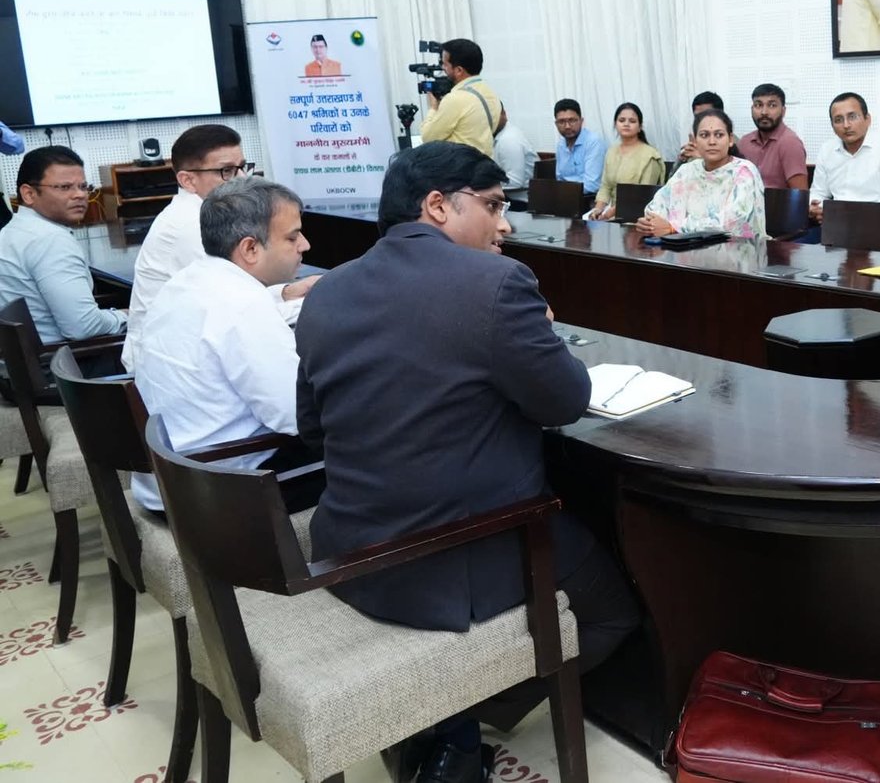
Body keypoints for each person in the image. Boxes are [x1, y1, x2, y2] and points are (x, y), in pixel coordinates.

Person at [296, 142, 639, 783]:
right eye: (492, 206)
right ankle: (450, 712)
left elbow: (313, 432)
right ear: (438, 205)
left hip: (351, 547)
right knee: (614, 610)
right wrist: (537, 331)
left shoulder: (326, 291)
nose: (503, 225)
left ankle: (438, 721)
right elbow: (566, 400)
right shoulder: (496, 284)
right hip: (453, 555)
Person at [131, 179, 320, 512]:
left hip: (171, 478)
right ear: (250, 249)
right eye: (292, 237)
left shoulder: (186, 282)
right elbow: (296, 416)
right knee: (378, 446)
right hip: (218, 495)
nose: (305, 244)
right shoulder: (243, 306)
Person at [123, 124, 317, 373]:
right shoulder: (189, 225)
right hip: (167, 365)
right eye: (227, 171)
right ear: (187, 180)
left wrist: (285, 293)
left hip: (186, 351)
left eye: (242, 167)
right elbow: (242, 314)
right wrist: (312, 304)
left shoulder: (199, 214)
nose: (242, 179)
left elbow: (235, 299)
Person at [0, 146, 125, 343]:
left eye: (83, 186)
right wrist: (125, 316)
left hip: (30, 355)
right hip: (68, 357)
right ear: (29, 194)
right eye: (65, 187)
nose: (80, 195)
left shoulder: (12, 230)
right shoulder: (49, 240)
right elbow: (83, 327)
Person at [639, 109, 766, 239]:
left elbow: (733, 221)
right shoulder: (687, 171)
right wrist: (650, 224)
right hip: (686, 247)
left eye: (719, 135)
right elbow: (657, 207)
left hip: (738, 248)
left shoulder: (744, 171)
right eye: (704, 135)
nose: (712, 142)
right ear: (695, 141)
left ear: (730, 140)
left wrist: (674, 228)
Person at [808, 92, 880, 224]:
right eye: (838, 120)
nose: (846, 125)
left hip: (877, 224)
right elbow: (818, 192)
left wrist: (848, 217)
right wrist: (816, 207)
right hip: (835, 225)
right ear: (832, 126)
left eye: (852, 117)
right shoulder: (827, 149)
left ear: (867, 119)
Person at [419, 38, 503, 157]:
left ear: (459, 70)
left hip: (461, 166)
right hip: (485, 164)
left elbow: (428, 137)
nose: (442, 68)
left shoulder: (455, 99)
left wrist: (433, 108)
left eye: (445, 64)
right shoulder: (491, 94)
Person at [588, 102, 665, 221]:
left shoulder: (650, 156)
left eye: (632, 121)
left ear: (640, 127)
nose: (626, 124)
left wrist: (607, 215)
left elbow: (642, 196)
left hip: (636, 217)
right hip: (609, 214)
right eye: (622, 120)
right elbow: (605, 187)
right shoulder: (611, 152)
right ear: (615, 124)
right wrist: (597, 210)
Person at [736, 83, 808, 191]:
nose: (764, 112)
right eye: (758, 105)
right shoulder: (744, 143)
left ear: (783, 111)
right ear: (752, 109)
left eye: (772, 105)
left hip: (777, 202)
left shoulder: (790, 143)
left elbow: (800, 194)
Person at [552, 98, 605, 209]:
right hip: (566, 199)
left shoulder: (593, 142)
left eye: (572, 120)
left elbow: (592, 185)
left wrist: (563, 191)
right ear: (556, 124)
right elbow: (559, 178)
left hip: (589, 200)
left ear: (581, 121)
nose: (567, 126)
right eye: (562, 122)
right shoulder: (561, 144)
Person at [678, 90, 742, 163]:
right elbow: (675, 171)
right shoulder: (695, 141)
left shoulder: (736, 144)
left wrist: (702, 158)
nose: (702, 120)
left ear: (721, 114)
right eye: (697, 117)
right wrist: (682, 159)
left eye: (706, 115)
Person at [491, 109, 536, 208]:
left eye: (493, 114)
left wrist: (487, 185)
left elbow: (515, 181)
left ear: (504, 114)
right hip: (512, 199)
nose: (491, 119)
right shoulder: (503, 134)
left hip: (522, 203)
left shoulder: (508, 139)